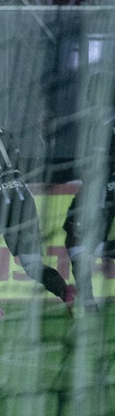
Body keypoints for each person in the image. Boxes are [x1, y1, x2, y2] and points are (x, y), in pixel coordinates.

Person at [0, 90, 75, 318]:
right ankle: (66, 292)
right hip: (22, 201)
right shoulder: (5, 134)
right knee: (32, 265)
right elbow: (19, 168)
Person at [63, 113, 115, 310]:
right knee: (86, 244)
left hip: (99, 193)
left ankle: (88, 301)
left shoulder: (105, 121)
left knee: (78, 242)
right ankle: (87, 300)